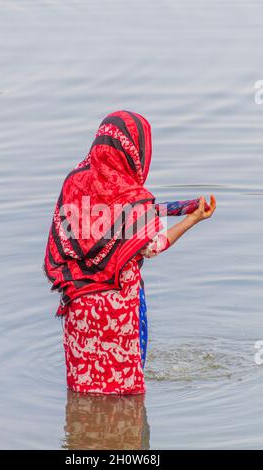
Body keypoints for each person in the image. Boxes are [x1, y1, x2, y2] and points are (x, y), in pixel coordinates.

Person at [44, 110, 216, 395]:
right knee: (124, 400)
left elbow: (122, 216)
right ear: (135, 153)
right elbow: (151, 244)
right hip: (117, 312)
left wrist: (185, 205)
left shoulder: (74, 183)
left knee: (84, 391)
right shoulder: (129, 197)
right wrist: (192, 219)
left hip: (79, 310)